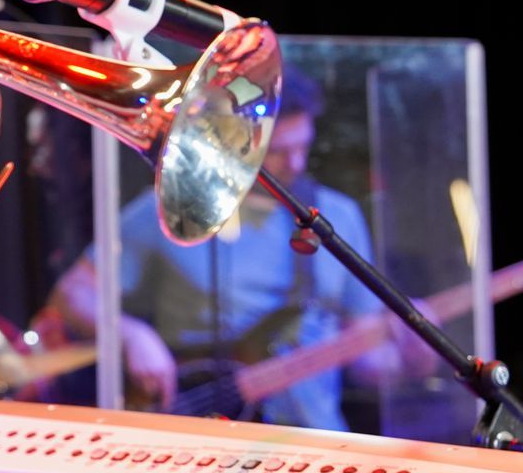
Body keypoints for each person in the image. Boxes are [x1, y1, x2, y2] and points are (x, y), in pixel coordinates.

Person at [48, 66, 430, 432]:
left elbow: (366, 362)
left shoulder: (336, 216)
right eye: (279, 152)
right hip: (203, 435)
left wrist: (414, 356)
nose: (295, 163)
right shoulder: (172, 207)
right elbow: (74, 294)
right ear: (237, 142)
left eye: (304, 148)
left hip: (316, 441)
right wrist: (130, 335)